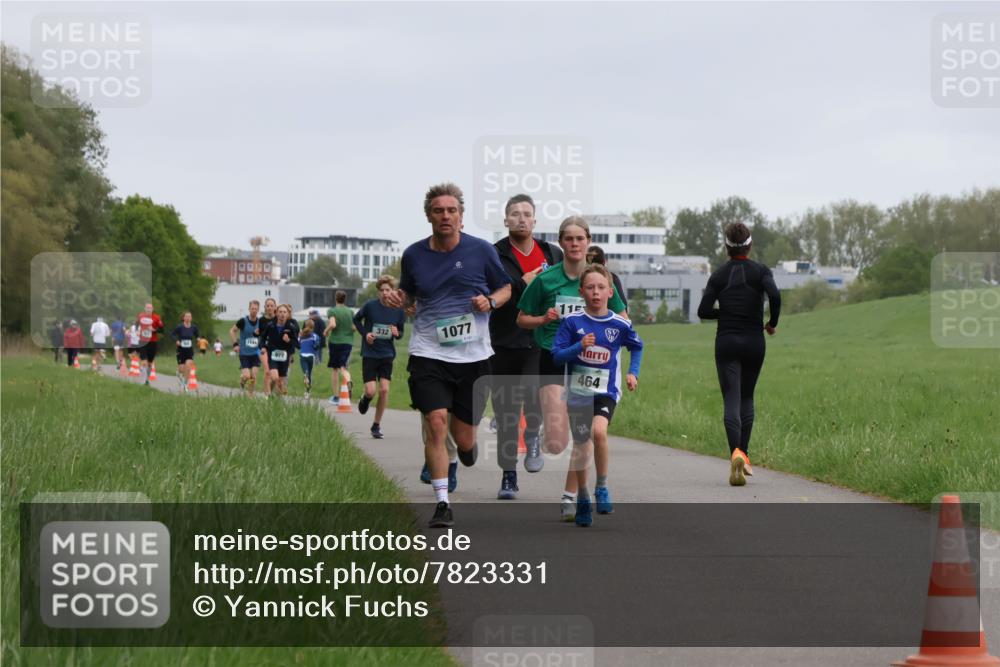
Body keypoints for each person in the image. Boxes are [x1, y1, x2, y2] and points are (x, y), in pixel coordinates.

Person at [385, 182, 511, 528]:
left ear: (461, 216)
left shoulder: (481, 251)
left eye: (451, 210)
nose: (445, 216)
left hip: (473, 357)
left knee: (464, 438)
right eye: (438, 210)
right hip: (429, 352)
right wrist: (398, 300)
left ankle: (467, 449)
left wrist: (491, 301)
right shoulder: (413, 254)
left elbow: (505, 288)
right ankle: (442, 502)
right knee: (436, 423)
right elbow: (409, 296)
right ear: (429, 216)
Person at [516, 216, 628, 521]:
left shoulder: (600, 279)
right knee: (556, 443)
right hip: (555, 358)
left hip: (589, 365)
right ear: (561, 242)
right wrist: (543, 319)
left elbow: (623, 319)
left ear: (588, 241)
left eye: (580, 238)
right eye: (569, 239)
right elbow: (521, 319)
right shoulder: (546, 280)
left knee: (584, 434)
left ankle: (571, 496)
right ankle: (536, 427)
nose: (575, 244)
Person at [552, 265, 643, 527]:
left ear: (610, 292)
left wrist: (633, 373)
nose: (596, 292)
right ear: (581, 292)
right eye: (590, 288)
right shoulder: (572, 322)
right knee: (581, 443)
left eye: (601, 288)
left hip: (606, 391)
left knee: (599, 432)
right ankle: (582, 496)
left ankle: (601, 486)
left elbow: (637, 346)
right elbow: (557, 356)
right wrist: (578, 347)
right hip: (578, 392)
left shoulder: (619, 324)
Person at [489, 193, 564, 500]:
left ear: (535, 220)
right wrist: (523, 282)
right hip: (503, 341)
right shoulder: (494, 254)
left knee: (535, 391)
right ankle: (508, 476)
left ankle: (533, 432)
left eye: (526, 214)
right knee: (506, 412)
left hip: (539, 338)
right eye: (515, 214)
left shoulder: (552, 253)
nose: (521, 218)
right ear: (506, 220)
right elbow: (493, 293)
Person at [697, 222, 781, 486]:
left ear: (726, 247)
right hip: (754, 342)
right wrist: (772, 322)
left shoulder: (719, 275)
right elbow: (775, 295)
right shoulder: (761, 271)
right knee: (747, 397)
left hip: (727, 342)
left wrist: (725, 312)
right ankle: (743, 454)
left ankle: (735, 453)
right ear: (750, 245)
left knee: (731, 398)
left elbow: (702, 311)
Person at [353, 275, 406, 439]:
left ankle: (376, 425)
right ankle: (365, 398)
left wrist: (397, 333)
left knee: (384, 390)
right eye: (382, 290)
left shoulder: (399, 310)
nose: (385, 293)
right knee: (371, 391)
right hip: (370, 353)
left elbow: (401, 332)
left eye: (387, 290)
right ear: (378, 292)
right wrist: (365, 334)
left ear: (393, 291)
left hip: (387, 354)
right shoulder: (370, 306)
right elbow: (356, 320)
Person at [260, 303, 297, 397]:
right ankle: (268, 394)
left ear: (287, 314)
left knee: (280, 383)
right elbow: (262, 337)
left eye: (284, 312)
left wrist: (289, 340)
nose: (282, 314)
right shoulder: (270, 325)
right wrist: (263, 347)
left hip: (285, 357)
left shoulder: (291, 327)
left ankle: (276, 401)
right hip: (273, 355)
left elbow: (297, 344)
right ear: (276, 313)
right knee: (275, 377)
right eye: (280, 312)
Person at [324, 291, 355, 404]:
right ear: (345, 299)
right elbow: (354, 327)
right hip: (348, 342)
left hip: (335, 342)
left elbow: (333, 324)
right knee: (344, 367)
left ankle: (336, 396)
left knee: (335, 369)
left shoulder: (332, 311)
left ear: (336, 298)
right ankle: (348, 380)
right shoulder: (350, 312)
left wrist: (326, 330)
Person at [230, 300, 263, 396]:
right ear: (249, 309)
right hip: (244, 353)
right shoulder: (243, 321)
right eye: (252, 308)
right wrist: (235, 344)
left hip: (256, 353)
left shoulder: (261, 322)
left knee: (253, 376)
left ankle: (250, 395)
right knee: (247, 376)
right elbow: (232, 331)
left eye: (256, 309)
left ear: (258, 310)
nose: (254, 310)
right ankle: (242, 381)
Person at [585, 245, 628, 313]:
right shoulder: (612, 278)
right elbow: (623, 307)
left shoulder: (579, 278)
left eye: (601, 287)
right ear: (604, 262)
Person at [135, 303, 165, 385]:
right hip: (142, 341)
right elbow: (136, 324)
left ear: (152, 309)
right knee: (144, 361)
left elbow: (162, 329)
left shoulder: (156, 317)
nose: (148, 309)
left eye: (150, 308)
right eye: (147, 308)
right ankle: (143, 379)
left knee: (150, 363)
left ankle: (147, 379)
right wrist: (137, 331)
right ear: (144, 309)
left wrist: (154, 330)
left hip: (152, 342)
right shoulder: (140, 316)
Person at [170, 311, 199, 390]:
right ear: (183, 318)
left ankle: (185, 384)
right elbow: (172, 334)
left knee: (188, 366)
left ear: (191, 318)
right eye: (187, 316)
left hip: (189, 350)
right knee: (182, 369)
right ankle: (179, 373)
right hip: (181, 350)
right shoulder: (179, 327)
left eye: (190, 316)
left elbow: (197, 335)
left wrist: (198, 339)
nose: (188, 318)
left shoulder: (194, 327)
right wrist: (176, 341)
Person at [258, 297, 278, 396]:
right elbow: (260, 335)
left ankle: (271, 390)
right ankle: (267, 395)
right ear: (265, 307)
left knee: (275, 376)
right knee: (267, 371)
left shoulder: (278, 319)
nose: (269, 307)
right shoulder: (261, 320)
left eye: (271, 306)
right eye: (268, 306)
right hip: (264, 348)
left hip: (276, 348)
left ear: (275, 307)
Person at [298, 319, 321, 399]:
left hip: (303, 356)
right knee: (310, 374)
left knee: (306, 373)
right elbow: (317, 346)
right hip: (311, 356)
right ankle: (307, 392)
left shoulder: (301, 336)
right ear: (313, 327)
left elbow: (298, 345)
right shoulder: (315, 336)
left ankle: (305, 375)